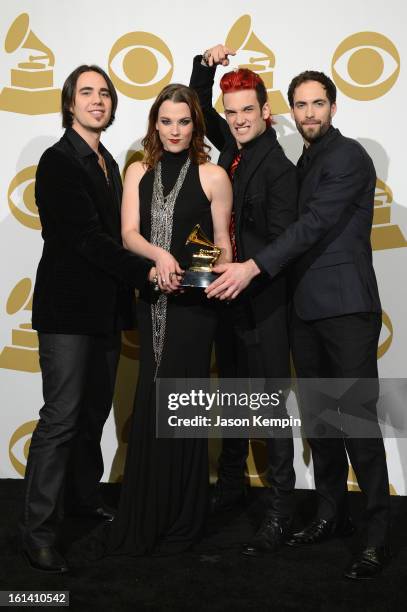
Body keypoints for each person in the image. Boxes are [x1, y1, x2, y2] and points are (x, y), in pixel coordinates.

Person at [206, 70, 390, 579]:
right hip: (305, 311)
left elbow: (310, 226)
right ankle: (333, 516)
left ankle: (376, 534)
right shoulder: (304, 159)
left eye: (318, 104)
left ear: (334, 107)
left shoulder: (348, 156)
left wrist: (252, 266)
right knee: (320, 422)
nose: (309, 113)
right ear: (289, 111)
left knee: (356, 421)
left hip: (347, 309)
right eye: (301, 105)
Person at [21, 65, 154, 574]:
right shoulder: (58, 162)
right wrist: (148, 271)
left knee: (93, 413)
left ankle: (79, 500)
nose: (97, 101)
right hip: (68, 313)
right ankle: (37, 532)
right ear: (69, 103)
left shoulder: (107, 163)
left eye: (105, 93)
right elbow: (86, 240)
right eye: (87, 93)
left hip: (104, 313)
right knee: (61, 419)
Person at [107, 83, 232, 556]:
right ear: (154, 123)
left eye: (184, 121)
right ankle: (146, 512)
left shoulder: (213, 175)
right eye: (166, 121)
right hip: (153, 298)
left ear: (195, 124)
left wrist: (204, 273)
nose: (175, 130)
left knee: (186, 403)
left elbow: (223, 243)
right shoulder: (138, 169)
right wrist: (160, 256)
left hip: (195, 309)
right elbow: (127, 234)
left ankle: (183, 519)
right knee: (152, 394)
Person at [189, 45, 298, 556]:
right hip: (228, 302)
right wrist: (204, 67)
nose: (235, 121)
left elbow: (281, 242)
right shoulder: (234, 149)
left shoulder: (277, 166)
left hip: (265, 304)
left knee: (271, 409)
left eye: (246, 112)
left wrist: (241, 270)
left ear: (265, 113)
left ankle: (279, 510)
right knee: (233, 400)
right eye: (231, 114)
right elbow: (200, 108)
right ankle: (230, 489)